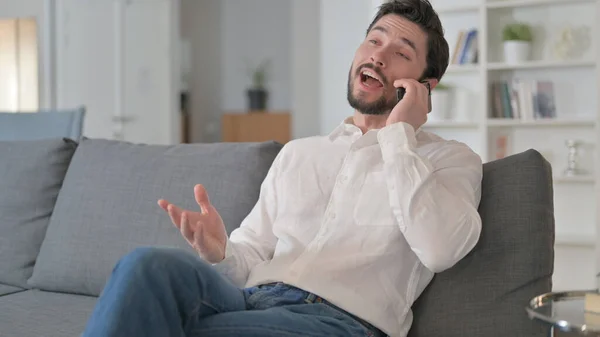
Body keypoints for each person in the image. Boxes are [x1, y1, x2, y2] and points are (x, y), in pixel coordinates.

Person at [81, 0, 482, 336]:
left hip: (339, 322)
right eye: (374, 40)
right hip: (251, 301)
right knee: (145, 266)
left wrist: (398, 136)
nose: (378, 55)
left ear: (424, 86)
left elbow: (440, 249)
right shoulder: (299, 154)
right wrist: (221, 252)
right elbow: (250, 255)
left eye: (401, 52)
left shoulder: (448, 160)